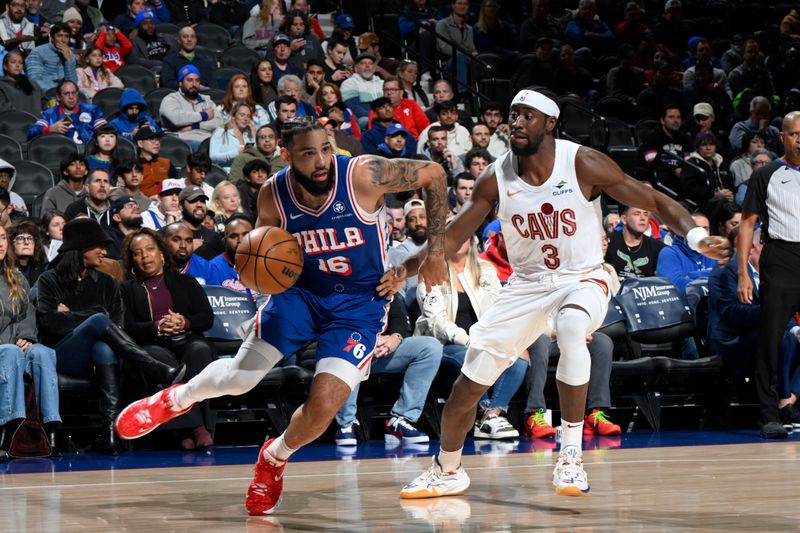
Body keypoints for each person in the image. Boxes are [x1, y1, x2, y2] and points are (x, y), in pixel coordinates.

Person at [394, 88, 730, 499]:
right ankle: (448, 470)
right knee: (468, 385)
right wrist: (401, 271)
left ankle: (570, 456)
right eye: (513, 115)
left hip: (583, 276)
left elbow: (654, 198)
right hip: (526, 286)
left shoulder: (582, 162)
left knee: (572, 327)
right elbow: (450, 237)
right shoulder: (495, 176)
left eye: (527, 116)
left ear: (550, 123)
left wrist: (696, 236)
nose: (516, 122)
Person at [115, 116, 449, 515]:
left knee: (324, 408)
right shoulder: (274, 195)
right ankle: (176, 398)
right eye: (309, 154)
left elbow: (433, 173)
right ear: (287, 156)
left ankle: (274, 457)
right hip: (300, 294)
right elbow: (264, 253)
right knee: (241, 379)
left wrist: (434, 251)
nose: (322, 161)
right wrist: (257, 275)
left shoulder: (364, 175)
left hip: (358, 304)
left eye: (326, 148)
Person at [36, 217, 185, 455]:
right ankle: (153, 368)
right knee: (97, 319)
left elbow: (116, 326)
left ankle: (110, 433)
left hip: (99, 359)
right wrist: (94, 314)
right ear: (80, 247)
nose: (105, 252)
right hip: (61, 356)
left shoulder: (107, 282)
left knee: (103, 347)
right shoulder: (49, 279)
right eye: (98, 246)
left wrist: (72, 315)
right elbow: (49, 323)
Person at [414, 233, 529, 440]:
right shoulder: (430, 272)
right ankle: (485, 413)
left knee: (520, 354)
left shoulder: (485, 270)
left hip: (484, 340)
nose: (458, 239)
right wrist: (468, 340)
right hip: (445, 344)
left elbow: (499, 309)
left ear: (472, 240)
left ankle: (491, 415)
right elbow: (436, 323)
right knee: (471, 355)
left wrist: (496, 339)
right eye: (454, 234)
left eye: (463, 234)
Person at [120, 228, 216, 450]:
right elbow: (127, 327)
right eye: (137, 253)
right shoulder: (127, 289)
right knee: (160, 360)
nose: (145, 256)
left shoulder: (186, 281)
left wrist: (184, 322)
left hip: (188, 340)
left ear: (162, 254)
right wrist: (157, 326)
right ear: (132, 260)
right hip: (153, 344)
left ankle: (185, 429)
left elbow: (206, 317)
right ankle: (195, 428)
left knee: (199, 351)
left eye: (150, 249)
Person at [737, 110, 800, 439]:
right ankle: (769, 414)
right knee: (771, 340)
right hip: (782, 257)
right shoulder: (768, 175)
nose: (799, 139)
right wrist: (744, 273)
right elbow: (747, 224)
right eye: (793, 133)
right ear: (783, 137)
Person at [334, 297, 442, 447]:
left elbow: (398, 316)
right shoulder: (342, 285)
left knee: (430, 346)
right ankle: (345, 424)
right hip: (348, 346)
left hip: (380, 350)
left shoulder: (384, 282)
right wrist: (368, 342)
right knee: (350, 351)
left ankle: (400, 420)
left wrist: (395, 337)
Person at [0, 223, 61, 453]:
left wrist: (27, 336)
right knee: (11, 352)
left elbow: (27, 314)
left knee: (42, 353)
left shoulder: (15, 276)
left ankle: (50, 426)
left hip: (14, 347)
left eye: (3, 237)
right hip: (5, 350)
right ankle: (7, 427)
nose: (1, 243)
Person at [160, 65, 222, 149]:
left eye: (197, 81)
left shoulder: (206, 100)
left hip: (208, 140)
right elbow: (177, 119)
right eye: (189, 80)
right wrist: (204, 115)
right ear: (180, 83)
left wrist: (194, 126)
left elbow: (219, 122)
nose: (194, 84)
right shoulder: (170, 99)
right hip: (181, 141)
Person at [28, 79, 106, 144]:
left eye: (73, 93)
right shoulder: (49, 114)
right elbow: (31, 133)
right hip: (61, 154)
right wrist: (50, 129)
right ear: (58, 97)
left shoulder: (92, 110)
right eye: (66, 94)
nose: (71, 97)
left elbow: (106, 131)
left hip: (88, 153)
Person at [24, 23, 77, 93]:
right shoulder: (38, 52)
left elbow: (72, 83)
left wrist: (68, 61)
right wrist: (55, 92)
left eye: (66, 36)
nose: (63, 40)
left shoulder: (70, 55)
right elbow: (35, 79)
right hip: (44, 92)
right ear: (52, 38)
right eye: (59, 36)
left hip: (64, 94)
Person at [160, 26, 216, 90]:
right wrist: (189, 86)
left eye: (192, 37)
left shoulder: (205, 61)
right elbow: (168, 84)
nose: (189, 39)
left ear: (196, 40)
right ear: (179, 40)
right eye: (185, 37)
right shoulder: (169, 61)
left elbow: (213, 85)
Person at [209, 101, 256, 172]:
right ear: (234, 116)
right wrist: (235, 153)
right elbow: (212, 157)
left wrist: (254, 135)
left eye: (248, 116)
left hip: (247, 173)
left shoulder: (248, 133)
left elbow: (256, 156)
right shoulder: (222, 131)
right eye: (242, 115)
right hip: (226, 172)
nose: (245, 119)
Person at [0, 50, 44, 116]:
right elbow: (5, 110)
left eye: (20, 63)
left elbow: (45, 101)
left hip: (39, 123)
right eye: (13, 62)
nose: (17, 65)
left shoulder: (32, 84)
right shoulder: (2, 85)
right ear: (5, 66)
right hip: (15, 123)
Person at [9, 220, 47, 286]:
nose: (26, 242)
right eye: (20, 238)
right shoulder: (7, 271)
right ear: (12, 244)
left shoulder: (42, 269)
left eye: (30, 238)